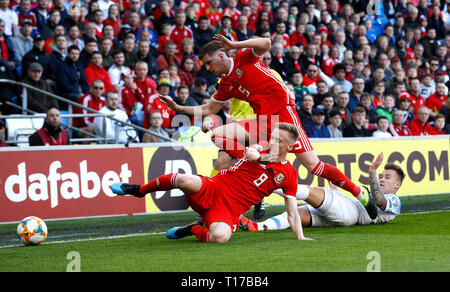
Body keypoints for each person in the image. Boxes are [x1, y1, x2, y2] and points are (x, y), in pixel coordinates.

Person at [160, 35, 375, 217]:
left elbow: (266, 43)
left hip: (284, 117)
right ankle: (259, 160)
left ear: (221, 56)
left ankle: (359, 193)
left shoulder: (245, 58)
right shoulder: (226, 84)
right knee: (218, 135)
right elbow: (208, 110)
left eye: (208, 63)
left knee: (314, 167)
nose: (208, 69)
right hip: (263, 122)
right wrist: (179, 108)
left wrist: (235, 45)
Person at [111, 122, 312, 243]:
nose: (272, 142)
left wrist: (300, 237)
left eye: (278, 141)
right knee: (183, 178)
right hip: (213, 187)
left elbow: (292, 211)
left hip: (229, 210)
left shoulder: (289, 175)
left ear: (291, 146)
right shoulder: (261, 146)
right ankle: (139, 190)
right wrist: (261, 158)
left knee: (221, 237)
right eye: (273, 138)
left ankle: (192, 229)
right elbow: (251, 153)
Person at [240, 152, 403, 231]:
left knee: (310, 191)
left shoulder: (394, 200)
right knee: (296, 214)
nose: (382, 179)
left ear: (397, 185)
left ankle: (264, 182)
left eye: (387, 177)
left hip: (350, 213)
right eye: (381, 176)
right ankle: (258, 226)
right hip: (345, 216)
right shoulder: (381, 197)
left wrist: (373, 170)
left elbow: (380, 202)